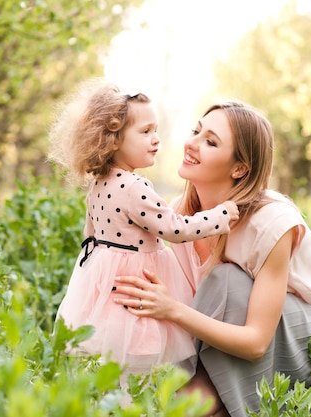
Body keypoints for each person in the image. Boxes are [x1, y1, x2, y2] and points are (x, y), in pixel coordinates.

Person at [112, 100, 311, 416]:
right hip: (236, 336)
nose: (192, 143)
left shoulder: (271, 223)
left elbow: (256, 343)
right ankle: (204, 401)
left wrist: (171, 309)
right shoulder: (179, 216)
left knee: (228, 280)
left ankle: (205, 401)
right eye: (196, 131)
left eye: (211, 141)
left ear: (240, 168)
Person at [47, 80, 239, 387]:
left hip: (104, 278)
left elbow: (90, 233)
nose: (156, 140)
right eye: (145, 131)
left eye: (156, 130)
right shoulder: (133, 186)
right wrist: (219, 217)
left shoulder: (99, 183)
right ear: (112, 140)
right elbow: (174, 229)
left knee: (113, 353)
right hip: (137, 279)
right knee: (141, 350)